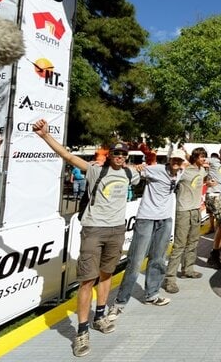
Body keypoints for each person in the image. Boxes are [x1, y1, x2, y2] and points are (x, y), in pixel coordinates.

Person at [32, 119, 141, 357]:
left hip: (117, 230)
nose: (120, 157)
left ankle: (99, 316)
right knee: (87, 280)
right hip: (94, 229)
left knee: (106, 275)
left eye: (124, 154)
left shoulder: (129, 174)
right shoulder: (95, 170)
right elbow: (68, 156)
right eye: (117, 153)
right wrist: (45, 135)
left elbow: (146, 173)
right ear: (110, 155)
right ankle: (81, 331)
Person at [107, 150, 187, 321]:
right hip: (146, 218)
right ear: (169, 159)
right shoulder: (156, 169)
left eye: (179, 160)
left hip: (165, 220)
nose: (176, 162)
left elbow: (193, 165)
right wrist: (131, 166)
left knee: (158, 259)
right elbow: (133, 170)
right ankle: (119, 303)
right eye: (174, 159)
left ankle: (152, 294)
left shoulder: (180, 171)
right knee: (135, 261)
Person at [163, 147, 208, 294]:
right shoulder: (184, 171)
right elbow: (171, 174)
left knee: (193, 242)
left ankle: (188, 269)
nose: (204, 159)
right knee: (179, 245)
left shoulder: (202, 170)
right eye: (201, 157)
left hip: (196, 210)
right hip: (183, 210)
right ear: (195, 158)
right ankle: (170, 279)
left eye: (204, 156)